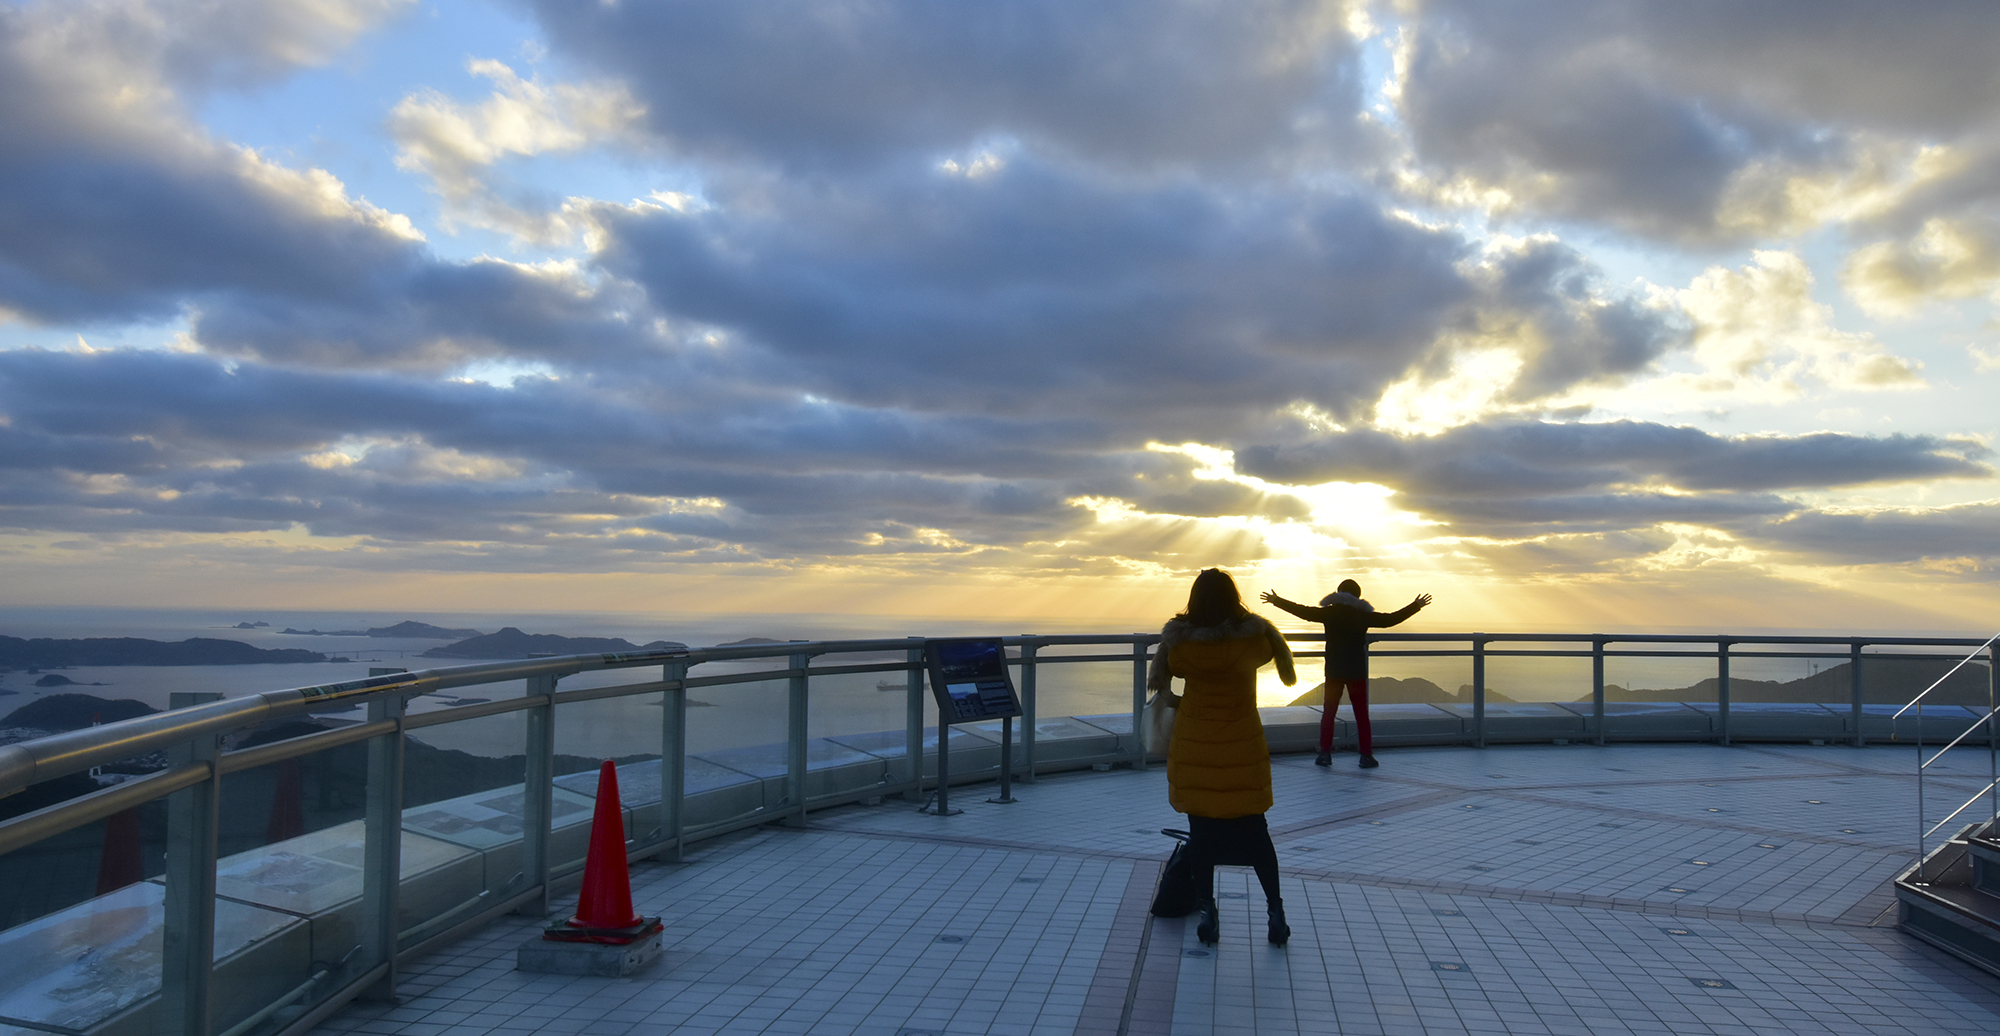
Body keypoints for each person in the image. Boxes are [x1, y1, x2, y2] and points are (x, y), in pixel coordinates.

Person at [1147, 568, 1297, 945]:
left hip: (1196, 747)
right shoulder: (1253, 641)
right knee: (1257, 833)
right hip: (1241, 746)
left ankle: (1208, 913)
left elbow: (1172, 668)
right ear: (1234, 598)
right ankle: (1275, 911)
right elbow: (1267, 651)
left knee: (1203, 837)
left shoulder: (1182, 647)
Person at [1261, 580, 1432, 770]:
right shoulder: (1362, 614)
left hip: (1334, 671)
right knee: (1361, 716)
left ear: (1338, 593)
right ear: (1358, 596)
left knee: (1328, 714)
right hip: (1356, 671)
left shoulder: (1330, 612)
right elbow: (1389, 620)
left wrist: (1276, 600)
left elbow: (1304, 612)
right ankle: (1366, 756)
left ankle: (1325, 754)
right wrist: (1416, 606)